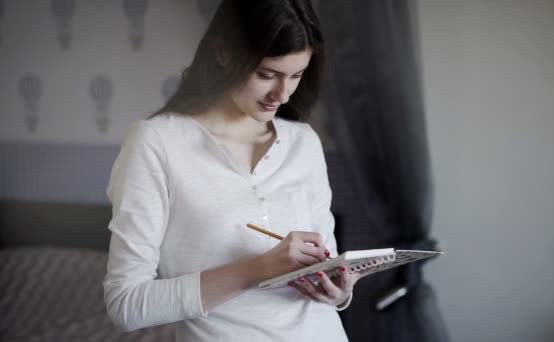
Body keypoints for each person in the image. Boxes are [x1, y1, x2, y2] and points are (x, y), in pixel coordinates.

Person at [103, 0, 366, 340]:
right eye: (266, 75)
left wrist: (340, 293)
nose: (282, 94)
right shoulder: (156, 143)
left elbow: (326, 266)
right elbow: (126, 304)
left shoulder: (304, 143)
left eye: (297, 76)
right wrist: (257, 270)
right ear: (224, 53)